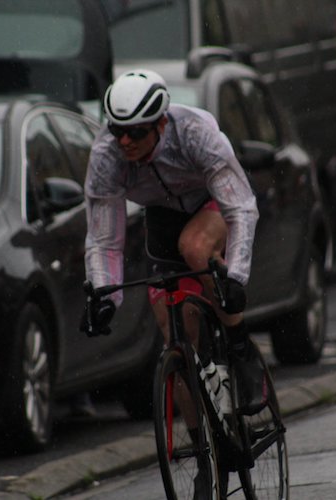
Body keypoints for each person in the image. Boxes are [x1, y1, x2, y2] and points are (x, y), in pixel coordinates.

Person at [79, 69, 262, 481]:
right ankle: (204, 456)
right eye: (117, 130)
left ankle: (239, 344)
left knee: (195, 249)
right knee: (175, 339)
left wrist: (236, 278)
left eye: (137, 132)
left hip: (214, 203)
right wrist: (104, 298)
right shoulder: (108, 155)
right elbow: (104, 237)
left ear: (161, 122)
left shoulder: (195, 132)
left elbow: (240, 208)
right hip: (161, 218)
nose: (124, 141)